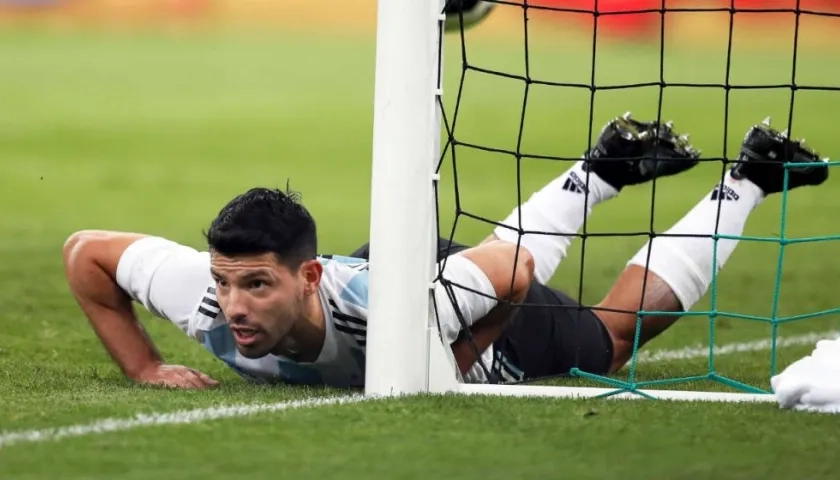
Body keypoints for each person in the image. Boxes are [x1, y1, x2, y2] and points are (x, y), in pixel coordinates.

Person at [62, 113, 829, 389]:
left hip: (422, 304)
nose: (235, 306)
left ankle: (751, 176)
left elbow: (513, 270)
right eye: (229, 284)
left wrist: (464, 358)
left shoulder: (393, 315)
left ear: (307, 277)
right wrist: (146, 365)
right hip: (409, 271)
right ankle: (602, 170)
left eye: (256, 285)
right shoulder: (205, 297)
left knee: (608, 339)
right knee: (467, 278)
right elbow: (85, 252)